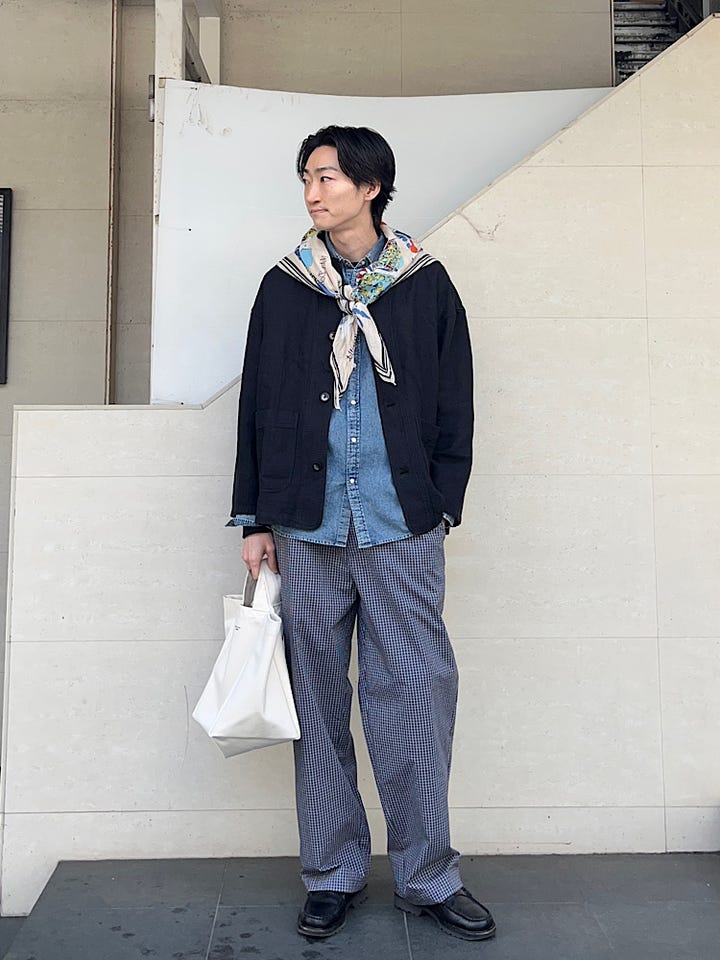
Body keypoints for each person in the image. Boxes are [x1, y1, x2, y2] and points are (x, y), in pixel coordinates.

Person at [230, 125, 495, 943]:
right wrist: (254, 518)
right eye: (307, 178)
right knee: (315, 705)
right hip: (304, 527)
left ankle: (428, 876)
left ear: (370, 186)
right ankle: (333, 873)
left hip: (400, 526)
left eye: (328, 178)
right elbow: (258, 405)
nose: (312, 192)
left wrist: (441, 507)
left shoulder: (423, 283)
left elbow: (455, 401)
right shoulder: (286, 287)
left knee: (414, 700)